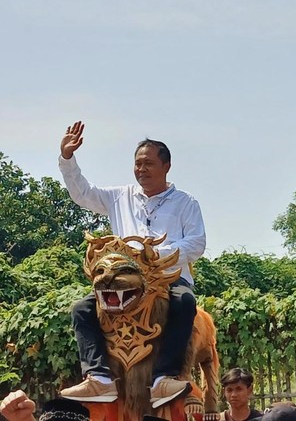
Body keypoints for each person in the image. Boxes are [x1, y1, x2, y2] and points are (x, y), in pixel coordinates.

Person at [57, 121, 207, 408]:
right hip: (123, 279)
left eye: (148, 163)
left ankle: (164, 376)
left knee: (185, 301)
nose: (141, 169)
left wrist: (154, 255)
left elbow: (196, 243)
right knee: (82, 308)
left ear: (167, 166)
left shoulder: (186, 203)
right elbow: (82, 194)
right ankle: (98, 377)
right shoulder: (118, 196)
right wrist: (67, 158)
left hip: (167, 277)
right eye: (137, 164)